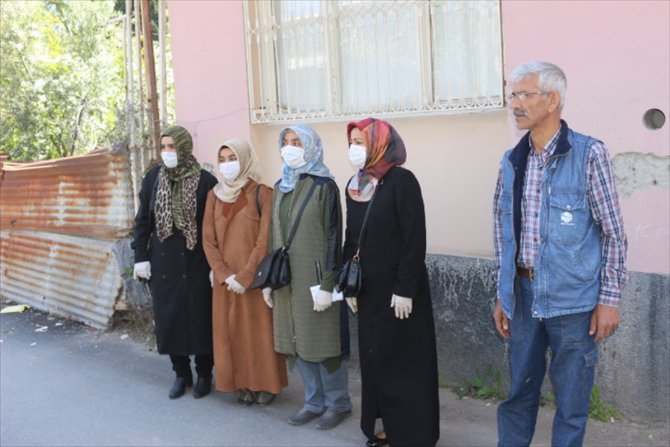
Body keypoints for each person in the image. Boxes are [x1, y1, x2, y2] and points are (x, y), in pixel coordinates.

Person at [492, 61, 628, 447]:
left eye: (524, 94)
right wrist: (502, 293)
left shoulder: (589, 155)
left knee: (571, 402)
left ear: (552, 100)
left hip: (573, 301)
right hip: (521, 296)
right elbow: (503, 234)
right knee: (519, 393)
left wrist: (609, 300)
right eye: (512, 95)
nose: (515, 103)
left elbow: (613, 234)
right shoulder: (511, 161)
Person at [343, 118, 440, 447]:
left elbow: (414, 238)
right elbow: (350, 239)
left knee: (405, 363)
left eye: (360, 142)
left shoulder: (402, 181)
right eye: (352, 142)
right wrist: (348, 286)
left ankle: (414, 435)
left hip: (400, 293)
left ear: (380, 144)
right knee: (376, 362)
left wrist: (404, 288)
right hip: (368, 292)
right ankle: (384, 428)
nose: (354, 148)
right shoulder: (355, 185)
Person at [262, 124, 352, 430]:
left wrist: (329, 283)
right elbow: (275, 233)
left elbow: (332, 237)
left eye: (297, 142)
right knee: (296, 339)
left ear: (311, 146)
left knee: (325, 344)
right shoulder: (280, 186)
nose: (290, 147)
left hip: (316, 279)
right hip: (287, 280)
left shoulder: (325, 186)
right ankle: (314, 402)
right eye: (286, 142)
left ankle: (338, 403)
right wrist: (270, 280)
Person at [132, 125, 218, 400]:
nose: (168, 152)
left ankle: (204, 373)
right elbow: (142, 222)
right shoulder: (152, 179)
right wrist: (140, 258)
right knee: (170, 319)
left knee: (201, 319)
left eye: (173, 147)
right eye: (164, 147)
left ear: (184, 148)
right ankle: (181, 374)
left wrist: (217, 265)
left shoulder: (206, 181)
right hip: (164, 262)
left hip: (197, 261)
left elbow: (214, 226)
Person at [202, 138, 288, 405]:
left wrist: (245, 276)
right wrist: (224, 274)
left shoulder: (262, 193)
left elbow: (265, 240)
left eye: (233, 159)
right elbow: (208, 240)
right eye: (223, 160)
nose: (228, 165)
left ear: (246, 160)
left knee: (258, 334)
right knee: (231, 334)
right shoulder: (213, 196)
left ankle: (267, 385)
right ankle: (240, 384)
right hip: (225, 283)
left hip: (253, 280)